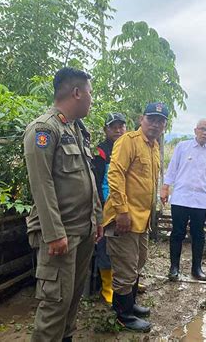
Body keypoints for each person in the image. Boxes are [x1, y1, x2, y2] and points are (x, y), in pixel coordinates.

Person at [24, 67, 103, 342]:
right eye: (90, 93)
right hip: (61, 234)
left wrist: (97, 218)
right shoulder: (44, 129)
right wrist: (55, 233)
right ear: (77, 93)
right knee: (55, 305)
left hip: (82, 230)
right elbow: (41, 185)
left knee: (71, 302)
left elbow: (86, 176)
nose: (92, 99)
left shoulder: (77, 129)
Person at [102, 102, 168, 332]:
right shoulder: (128, 141)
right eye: (151, 119)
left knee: (139, 261)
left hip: (143, 219)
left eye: (160, 121)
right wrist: (121, 211)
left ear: (164, 125)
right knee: (125, 267)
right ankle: (123, 315)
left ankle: (131, 304)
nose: (155, 124)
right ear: (142, 119)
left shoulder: (154, 147)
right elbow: (115, 174)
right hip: (125, 218)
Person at [160, 119, 206, 282]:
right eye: (202, 129)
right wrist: (165, 187)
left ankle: (196, 268)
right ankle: (174, 268)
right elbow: (172, 169)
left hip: (200, 201)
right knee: (177, 233)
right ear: (195, 130)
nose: (205, 132)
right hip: (180, 198)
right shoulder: (182, 147)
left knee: (198, 235)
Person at [92, 112, 126, 304]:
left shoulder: (130, 147)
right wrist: (100, 207)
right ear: (106, 129)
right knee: (105, 246)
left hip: (127, 206)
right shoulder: (101, 152)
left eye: (121, 126)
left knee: (126, 247)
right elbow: (96, 183)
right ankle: (107, 287)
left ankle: (126, 282)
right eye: (113, 127)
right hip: (106, 206)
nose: (118, 130)